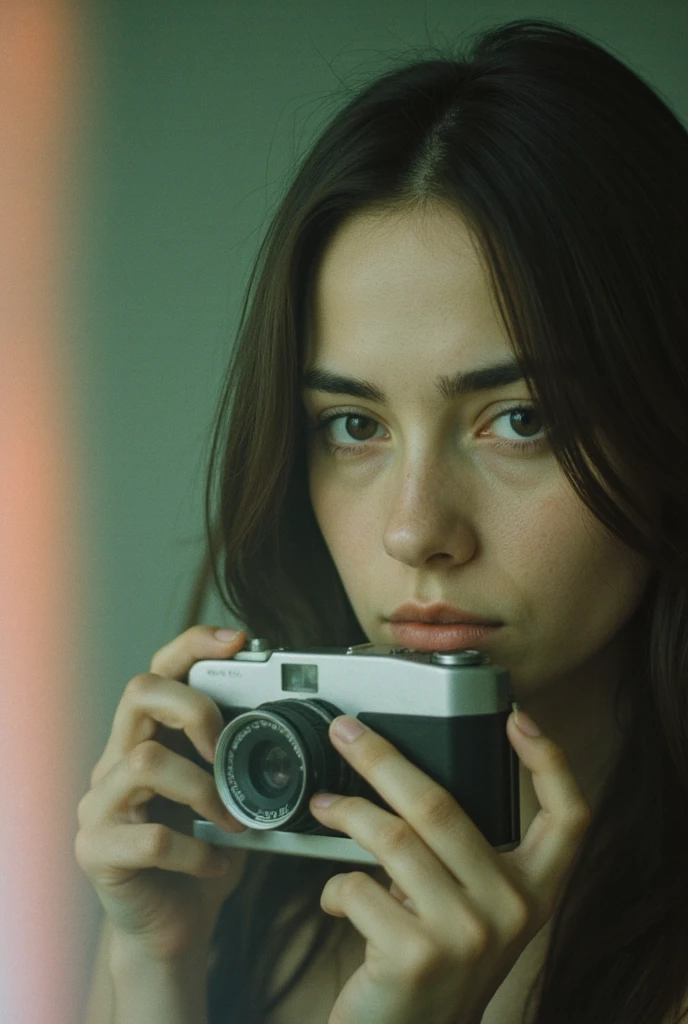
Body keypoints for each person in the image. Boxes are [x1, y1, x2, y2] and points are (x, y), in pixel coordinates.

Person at [75, 16, 688, 1024]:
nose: (415, 531)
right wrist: (153, 976)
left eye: (519, 419)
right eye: (354, 424)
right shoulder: (232, 872)